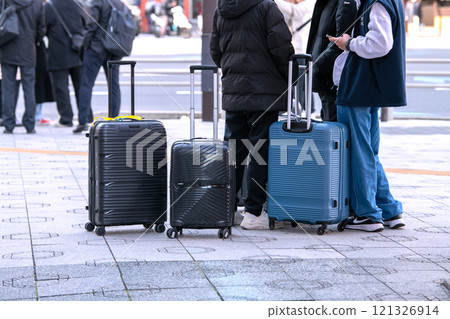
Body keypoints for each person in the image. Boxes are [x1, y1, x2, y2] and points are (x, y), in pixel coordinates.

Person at [210, 0, 294, 230]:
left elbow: (216, 51)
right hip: (264, 93)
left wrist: (232, 71)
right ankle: (253, 213)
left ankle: (226, 209)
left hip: (234, 92)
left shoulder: (222, 8)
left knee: (233, 152)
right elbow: (281, 46)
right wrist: (289, 75)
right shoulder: (266, 6)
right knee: (259, 152)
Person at [329, 0, 406, 231]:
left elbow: (381, 42)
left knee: (359, 151)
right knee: (368, 151)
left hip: (359, 85)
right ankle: (389, 209)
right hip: (370, 86)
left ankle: (367, 213)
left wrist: (349, 43)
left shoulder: (376, 3)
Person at [74, 0, 125, 133]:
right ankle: (114, 119)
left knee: (86, 84)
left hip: (96, 48)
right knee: (114, 85)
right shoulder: (120, 4)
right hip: (114, 50)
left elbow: (92, 25)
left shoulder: (99, 2)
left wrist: (85, 44)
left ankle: (83, 121)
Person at [306, 0, 357, 122]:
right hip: (325, 73)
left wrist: (318, 64)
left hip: (330, 76)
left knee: (332, 126)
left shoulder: (344, 3)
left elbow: (341, 42)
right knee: (328, 122)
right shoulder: (328, 3)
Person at [0, 0, 45, 134]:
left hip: (7, 48)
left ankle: (8, 123)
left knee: (8, 88)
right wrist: (33, 39)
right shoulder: (37, 3)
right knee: (29, 88)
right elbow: (41, 29)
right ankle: (30, 124)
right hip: (28, 49)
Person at [45, 0, 87, 128]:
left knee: (61, 88)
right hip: (77, 50)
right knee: (81, 86)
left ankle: (66, 118)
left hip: (57, 51)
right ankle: (85, 116)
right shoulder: (78, 4)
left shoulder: (49, 6)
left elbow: (43, 27)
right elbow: (85, 24)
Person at [34, 37, 54, 125]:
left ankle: (36, 115)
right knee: (37, 85)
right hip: (36, 49)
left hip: (32, 48)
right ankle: (36, 115)